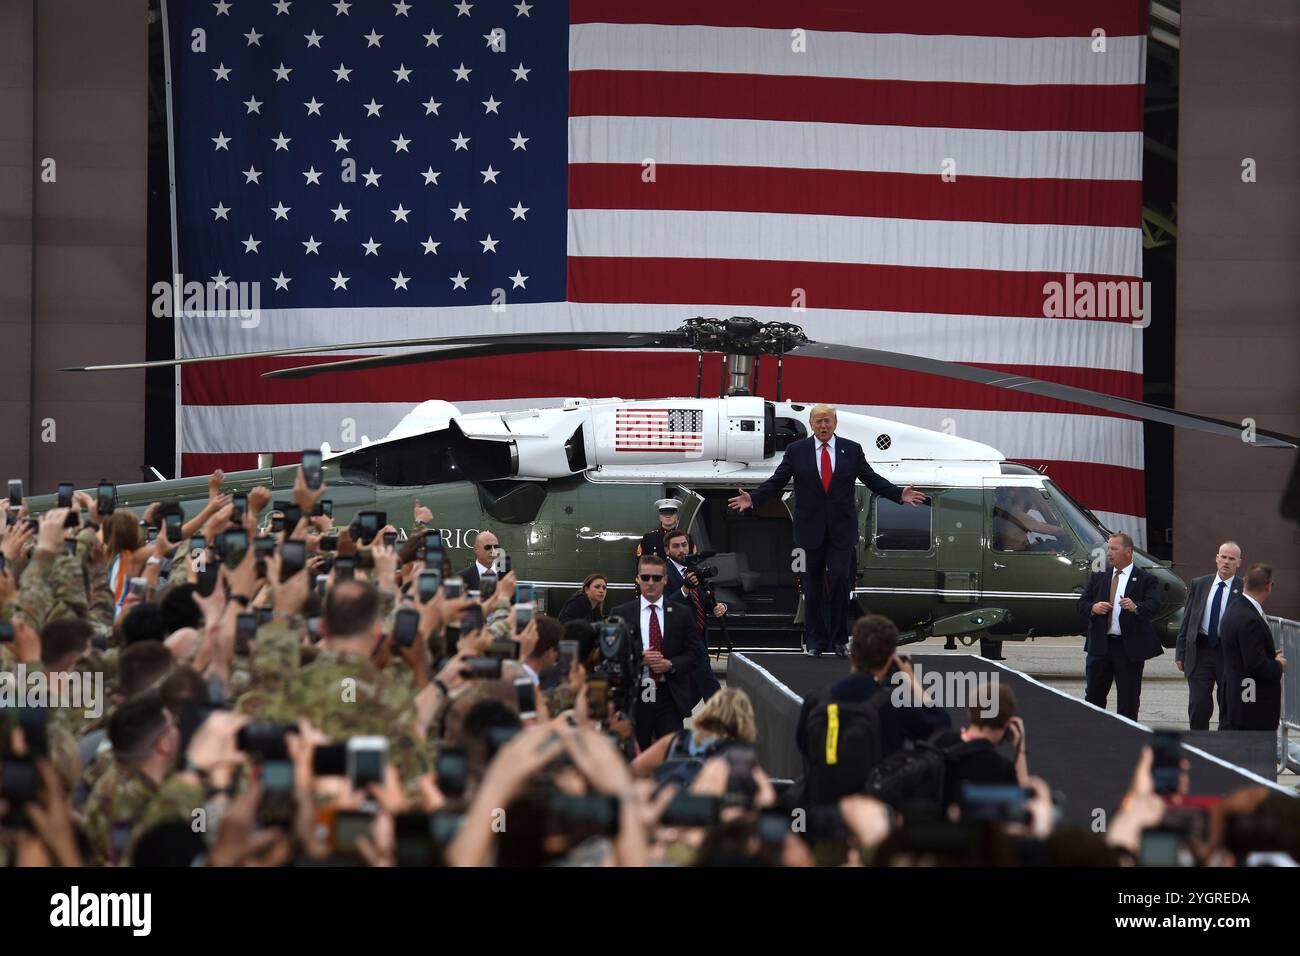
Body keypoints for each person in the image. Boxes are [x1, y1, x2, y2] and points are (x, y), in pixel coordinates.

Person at [729, 404, 926, 657]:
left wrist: (899, 494)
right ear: (811, 424)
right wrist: (753, 499)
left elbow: (871, 478)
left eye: (828, 421)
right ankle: (814, 642)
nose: (823, 426)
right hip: (810, 531)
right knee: (812, 587)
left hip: (841, 532)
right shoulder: (796, 451)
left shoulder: (851, 450)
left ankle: (838, 640)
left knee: (840, 582)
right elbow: (777, 481)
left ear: (834, 424)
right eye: (819, 421)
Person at [795, 614, 950, 760]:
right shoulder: (894, 706)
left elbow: (803, 745)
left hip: (828, 787)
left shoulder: (816, 700)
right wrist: (910, 677)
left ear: (852, 654)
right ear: (890, 660)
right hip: (878, 785)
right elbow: (941, 725)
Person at [607, 553, 704, 750]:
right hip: (635, 695)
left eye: (657, 578)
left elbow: (694, 655)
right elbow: (610, 656)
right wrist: (638, 658)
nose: (650, 583)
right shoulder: (621, 614)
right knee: (634, 753)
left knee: (670, 752)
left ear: (665, 580)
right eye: (645, 577)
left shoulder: (681, 613)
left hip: (668, 694)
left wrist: (671, 664)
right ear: (637, 579)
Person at [1078, 532, 1162, 720]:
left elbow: (1154, 606)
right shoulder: (1099, 575)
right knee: (1093, 697)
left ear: (1128, 552)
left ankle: (1126, 739)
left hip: (1128, 649)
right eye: (1108, 548)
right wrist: (1093, 607)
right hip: (1100, 647)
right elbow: (1081, 603)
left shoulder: (1146, 579)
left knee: (1128, 700)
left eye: (1114, 548)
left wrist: (1135, 607)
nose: (1109, 553)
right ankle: (1094, 735)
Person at [1175, 541, 1244, 730]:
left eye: (1231, 559)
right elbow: (1187, 619)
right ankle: (1199, 746)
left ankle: (1223, 747)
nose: (1226, 562)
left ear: (1239, 563)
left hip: (1228, 654)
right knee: (1198, 705)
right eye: (1223, 557)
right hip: (1200, 651)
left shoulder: (1243, 589)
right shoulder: (1200, 584)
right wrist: (1180, 652)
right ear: (1216, 558)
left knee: (1229, 705)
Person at [934, 682, 1029, 809]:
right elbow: (1022, 805)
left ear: (970, 711)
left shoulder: (941, 742)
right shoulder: (1001, 769)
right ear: (1007, 724)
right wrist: (1020, 748)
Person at [1220, 563, 1287, 731]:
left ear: (1244, 581)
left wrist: (1267, 656)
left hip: (1237, 696)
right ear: (1268, 586)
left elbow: (1245, 653)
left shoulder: (1234, 608)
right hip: (1251, 705)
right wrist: (1278, 664)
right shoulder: (1250, 619)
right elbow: (1255, 665)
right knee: (1251, 754)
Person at [662, 529, 723, 702]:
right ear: (667, 550)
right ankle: (722, 721)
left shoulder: (694, 570)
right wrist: (684, 589)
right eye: (676, 546)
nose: (681, 550)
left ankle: (673, 716)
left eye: (684, 545)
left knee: (694, 690)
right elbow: (665, 605)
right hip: (681, 639)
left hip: (700, 637)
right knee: (711, 689)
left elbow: (703, 601)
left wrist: (718, 607)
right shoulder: (663, 573)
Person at [636, 498, 689, 564]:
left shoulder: (685, 537)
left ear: (676, 517)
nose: (667, 516)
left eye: (671, 513)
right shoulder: (649, 538)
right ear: (660, 517)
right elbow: (641, 562)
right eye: (664, 513)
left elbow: (692, 560)